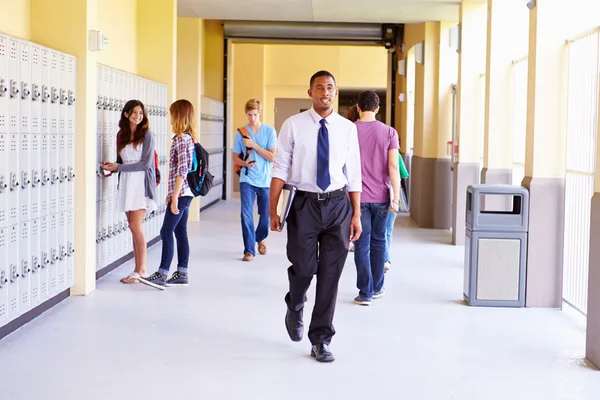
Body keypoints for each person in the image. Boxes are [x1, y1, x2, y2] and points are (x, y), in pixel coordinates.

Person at [270, 70, 362, 363]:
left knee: (330, 276)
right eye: (319, 87)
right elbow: (280, 168)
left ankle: (320, 339)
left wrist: (356, 215)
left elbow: (354, 176)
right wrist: (272, 208)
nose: (325, 92)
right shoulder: (293, 125)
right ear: (310, 93)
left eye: (330, 87)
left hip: (338, 205)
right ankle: (295, 303)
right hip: (303, 205)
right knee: (304, 267)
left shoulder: (348, 129)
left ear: (336, 92)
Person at [139, 99, 196, 290]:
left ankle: (162, 274)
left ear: (179, 115)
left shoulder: (182, 139)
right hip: (183, 193)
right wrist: (172, 193)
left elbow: (182, 170)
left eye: (172, 114)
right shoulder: (186, 138)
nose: (169, 118)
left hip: (182, 194)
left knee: (166, 231)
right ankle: (182, 273)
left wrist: (175, 197)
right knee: (180, 231)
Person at [352, 90, 400, 306]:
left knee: (361, 243)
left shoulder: (349, 130)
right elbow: (393, 166)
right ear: (378, 108)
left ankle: (365, 292)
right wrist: (396, 197)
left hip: (356, 197)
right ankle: (378, 287)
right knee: (379, 241)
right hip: (382, 196)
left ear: (358, 107)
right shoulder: (389, 132)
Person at [100, 100, 157, 284]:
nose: (138, 116)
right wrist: (112, 167)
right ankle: (137, 270)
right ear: (126, 114)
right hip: (126, 184)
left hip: (141, 185)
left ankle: (142, 270)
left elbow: (146, 164)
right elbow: (120, 163)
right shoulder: (121, 135)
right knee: (133, 228)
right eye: (134, 112)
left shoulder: (147, 135)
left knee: (136, 227)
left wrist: (120, 167)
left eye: (141, 113)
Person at [232, 99, 277, 262]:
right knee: (246, 215)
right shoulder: (240, 133)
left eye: (255, 115)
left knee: (265, 216)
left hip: (265, 181)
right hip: (247, 179)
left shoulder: (269, 131)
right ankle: (249, 250)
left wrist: (254, 145)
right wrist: (245, 163)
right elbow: (235, 158)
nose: (252, 118)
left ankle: (260, 237)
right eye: (249, 115)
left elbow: (272, 157)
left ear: (260, 113)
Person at [384, 153, 409, 273]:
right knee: (387, 230)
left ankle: (380, 258)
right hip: (392, 195)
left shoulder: (372, 150)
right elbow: (405, 174)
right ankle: (386, 260)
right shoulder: (396, 155)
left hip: (374, 195)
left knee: (377, 231)